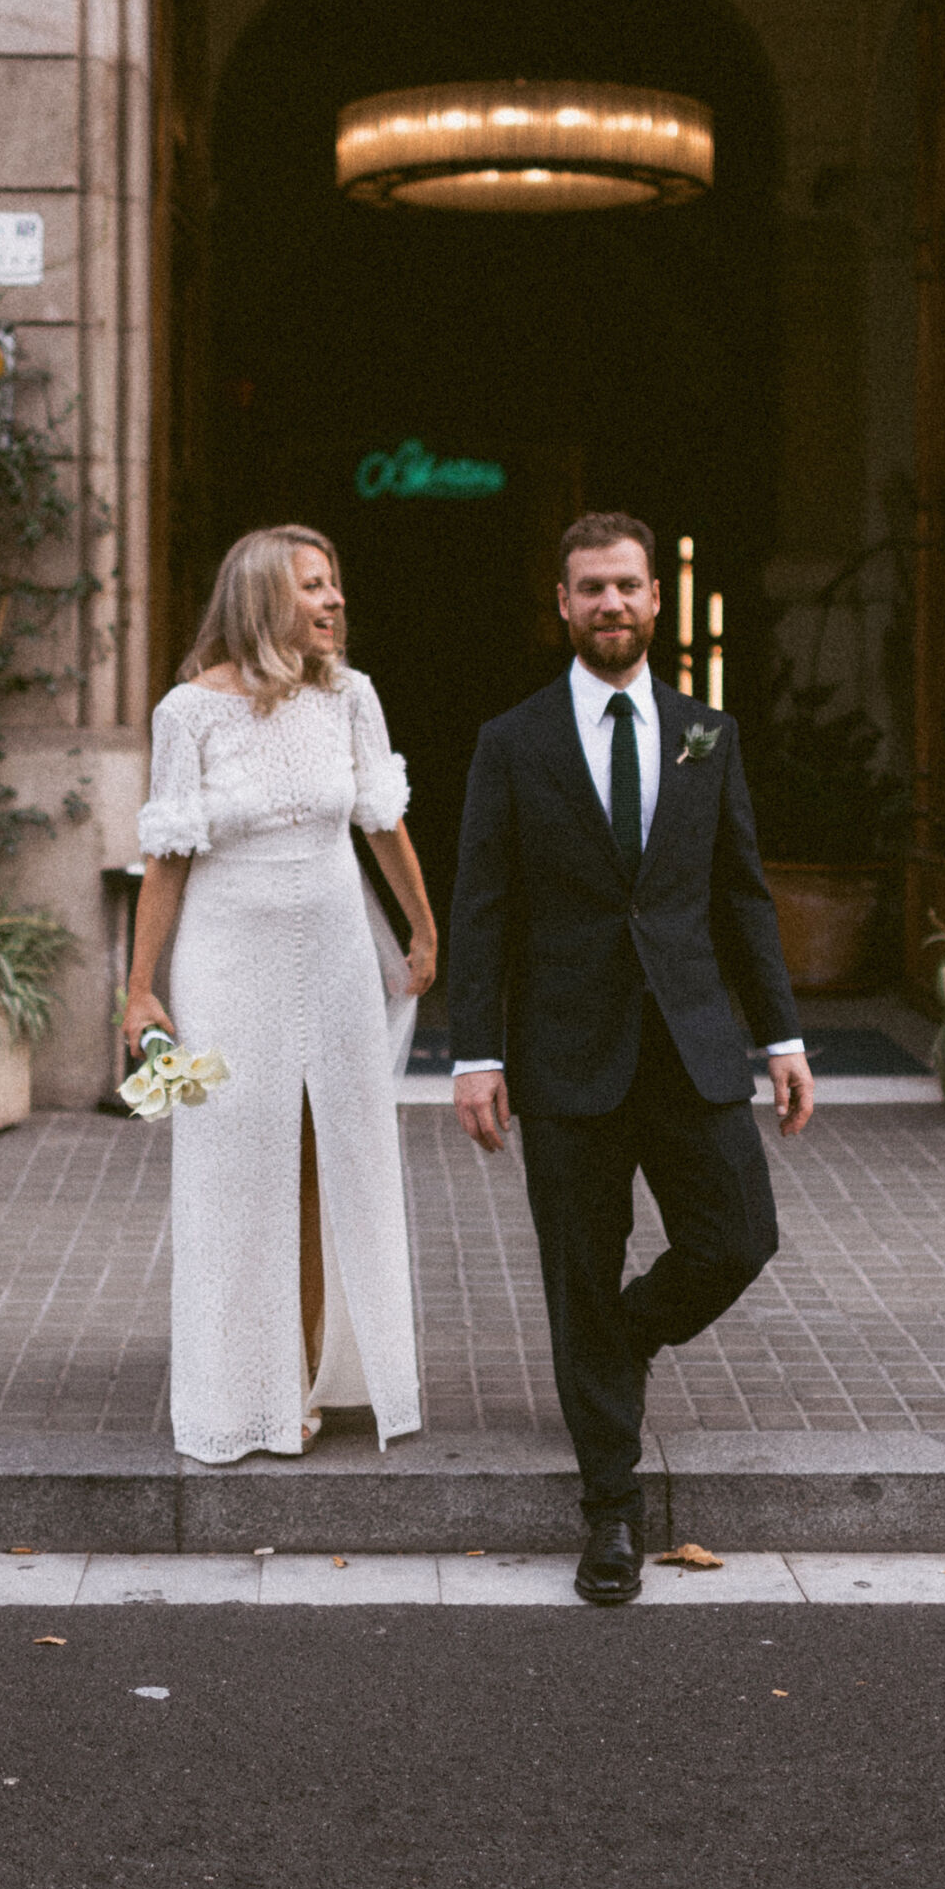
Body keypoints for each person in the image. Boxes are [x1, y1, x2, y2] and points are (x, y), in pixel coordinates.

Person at [449, 513, 814, 1605]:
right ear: (561, 605)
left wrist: (784, 1034)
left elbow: (743, 893)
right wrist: (475, 1053)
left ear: (658, 600)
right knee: (576, 1261)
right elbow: (483, 909)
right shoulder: (512, 743)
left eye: (626, 587)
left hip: (692, 1046)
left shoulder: (709, 733)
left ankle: (613, 1336)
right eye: (589, 589)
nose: (610, 604)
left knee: (740, 1237)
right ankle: (610, 1517)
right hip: (564, 1055)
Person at [124, 526, 434, 1464]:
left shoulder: (351, 699)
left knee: (330, 1154)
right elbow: (167, 858)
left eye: (335, 582)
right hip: (228, 960)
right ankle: (238, 1391)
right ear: (264, 599)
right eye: (313, 585)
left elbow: (384, 820)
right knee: (235, 1167)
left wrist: (423, 926)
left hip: (334, 952)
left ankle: (307, 1373)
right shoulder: (189, 713)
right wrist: (139, 989)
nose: (335, 600)